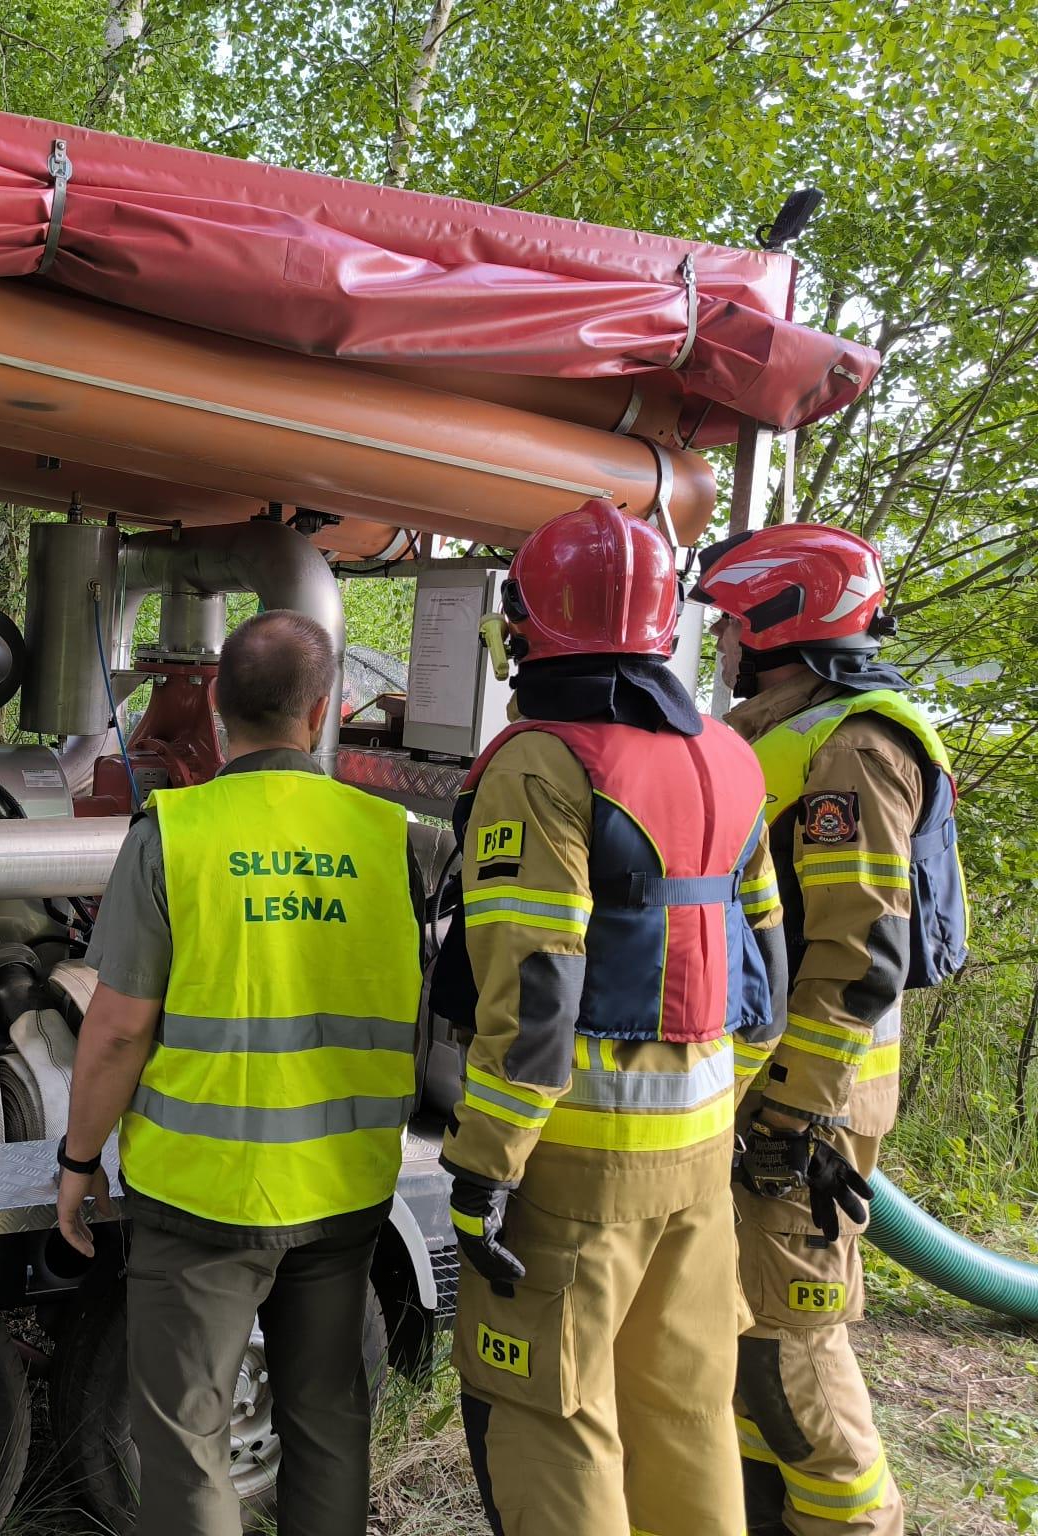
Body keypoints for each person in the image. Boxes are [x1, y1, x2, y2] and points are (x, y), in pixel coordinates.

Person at [437, 499, 788, 1536]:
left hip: (574, 1174)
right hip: (698, 1160)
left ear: (526, 627)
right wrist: (719, 1108)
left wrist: (486, 1167)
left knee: (553, 1417)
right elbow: (766, 975)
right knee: (683, 1411)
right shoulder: (729, 755)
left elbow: (534, 991)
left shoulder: (541, 763)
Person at [53, 608, 424, 1536]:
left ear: (217, 705)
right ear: (323, 708)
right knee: (328, 1421)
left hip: (202, 1197)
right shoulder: (392, 837)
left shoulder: (174, 833)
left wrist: (78, 1160)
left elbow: (116, 1031)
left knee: (186, 1441)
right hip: (342, 1190)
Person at [693, 523, 967, 1536]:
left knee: (790, 1349)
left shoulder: (852, 749)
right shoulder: (793, 730)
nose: (722, 642)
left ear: (780, 620)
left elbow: (859, 954)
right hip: (770, 1094)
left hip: (804, 1110)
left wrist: (792, 1115)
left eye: (731, 624)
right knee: (746, 1342)